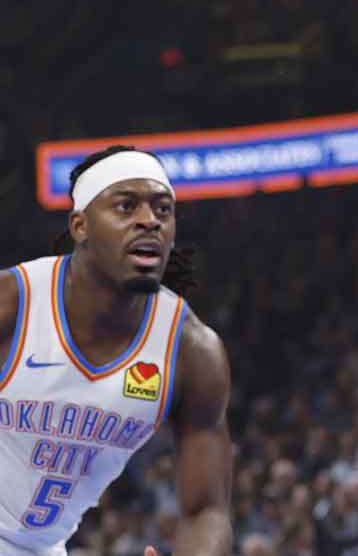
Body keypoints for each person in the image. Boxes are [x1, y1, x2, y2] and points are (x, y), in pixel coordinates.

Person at [0, 146, 232, 555]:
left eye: (163, 210)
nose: (150, 220)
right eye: (126, 206)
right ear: (80, 226)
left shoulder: (193, 352)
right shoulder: (11, 304)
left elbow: (206, 510)